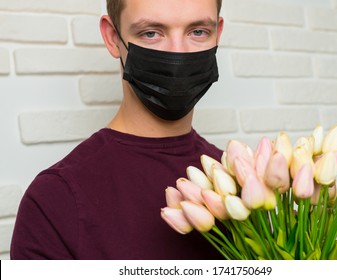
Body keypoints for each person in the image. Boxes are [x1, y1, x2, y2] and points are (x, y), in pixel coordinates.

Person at [11, 0, 224, 260]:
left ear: (218, 34)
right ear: (113, 38)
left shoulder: (240, 178)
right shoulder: (54, 201)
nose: (177, 53)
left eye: (198, 31)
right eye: (151, 33)